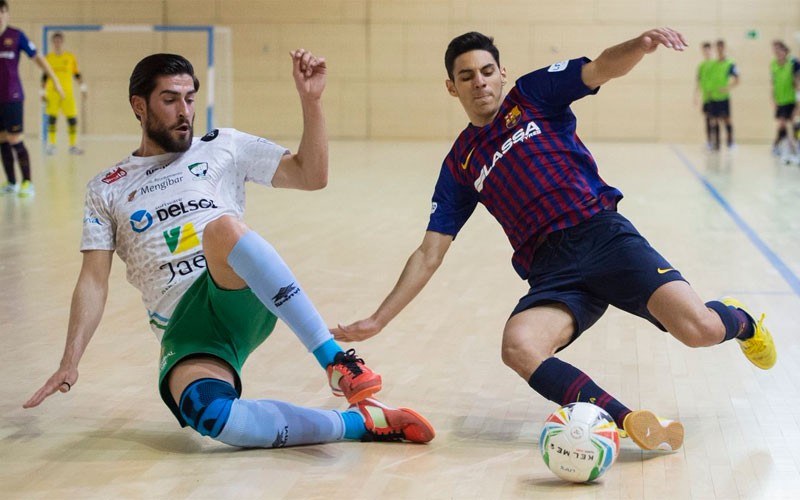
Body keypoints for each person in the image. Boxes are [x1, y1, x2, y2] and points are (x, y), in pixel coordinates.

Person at [334, 28, 777, 452]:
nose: (479, 83)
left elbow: (600, 67)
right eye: (466, 76)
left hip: (604, 238)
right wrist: (379, 319)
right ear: (452, 88)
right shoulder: (461, 163)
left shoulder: (533, 95)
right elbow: (429, 252)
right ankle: (625, 421)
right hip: (552, 271)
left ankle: (743, 322)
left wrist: (640, 46)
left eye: (487, 71)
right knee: (519, 346)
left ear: (501, 73)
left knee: (698, 330)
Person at [23, 50, 435, 449]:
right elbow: (93, 281)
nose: (184, 110)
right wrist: (70, 359)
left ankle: (335, 362)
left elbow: (311, 175)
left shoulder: (223, 146)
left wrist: (311, 102)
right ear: (139, 106)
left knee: (221, 228)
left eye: (189, 98)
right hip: (185, 328)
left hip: (236, 289)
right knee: (209, 415)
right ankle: (360, 423)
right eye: (169, 100)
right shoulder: (106, 187)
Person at [0, 0, 64, 196]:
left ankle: (28, 182)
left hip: (13, 96)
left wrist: (55, 80)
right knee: (2, 139)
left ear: (7, 14)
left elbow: (38, 58)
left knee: (15, 139)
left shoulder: (16, 36)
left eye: (1, 12)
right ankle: (11, 182)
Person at [42, 31, 87, 156]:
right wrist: (42, 92)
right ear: (52, 43)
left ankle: (72, 146)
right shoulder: (48, 58)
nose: (57, 44)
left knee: (72, 119)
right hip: (52, 92)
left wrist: (83, 87)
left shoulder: (69, 57)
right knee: (52, 119)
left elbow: (76, 73)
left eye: (59, 41)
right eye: (55, 42)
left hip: (67, 93)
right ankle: (51, 145)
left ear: (62, 42)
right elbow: (44, 77)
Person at [769, 40, 800, 163]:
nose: (777, 52)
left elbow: (797, 81)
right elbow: (773, 83)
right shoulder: (773, 65)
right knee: (785, 124)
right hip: (781, 99)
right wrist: (773, 98)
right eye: (775, 50)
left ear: (785, 50)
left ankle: (791, 148)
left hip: (791, 98)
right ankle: (787, 148)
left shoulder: (793, 62)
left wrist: (798, 101)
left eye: (779, 49)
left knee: (790, 124)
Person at [706, 39, 739, 150]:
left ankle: (730, 142)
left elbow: (737, 80)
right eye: (717, 47)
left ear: (724, 48)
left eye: (721, 47)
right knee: (714, 121)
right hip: (713, 97)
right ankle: (717, 144)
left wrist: (727, 88)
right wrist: (709, 92)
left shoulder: (730, 63)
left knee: (727, 119)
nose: (719, 50)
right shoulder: (713, 64)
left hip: (723, 97)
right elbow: (709, 80)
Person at [694, 41, 715, 150]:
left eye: (708, 49)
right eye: (704, 50)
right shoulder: (701, 66)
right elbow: (698, 81)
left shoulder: (715, 64)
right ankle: (709, 141)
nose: (706, 52)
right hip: (706, 98)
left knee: (716, 120)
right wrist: (696, 96)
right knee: (707, 120)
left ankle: (717, 142)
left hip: (715, 97)